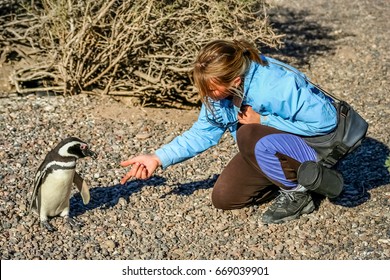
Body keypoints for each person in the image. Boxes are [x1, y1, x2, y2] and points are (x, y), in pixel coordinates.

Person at [120, 39, 342, 224]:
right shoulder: (219, 93)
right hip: (268, 147)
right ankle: (292, 178)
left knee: (248, 132)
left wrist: (263, 119)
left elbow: (326, 122)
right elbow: (203, 132)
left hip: (316, 145)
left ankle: (299, 193)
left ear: (235, 80)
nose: (208, 94)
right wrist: (157, 158)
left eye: (212, 89)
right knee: (225, 198)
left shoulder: (273, 85)